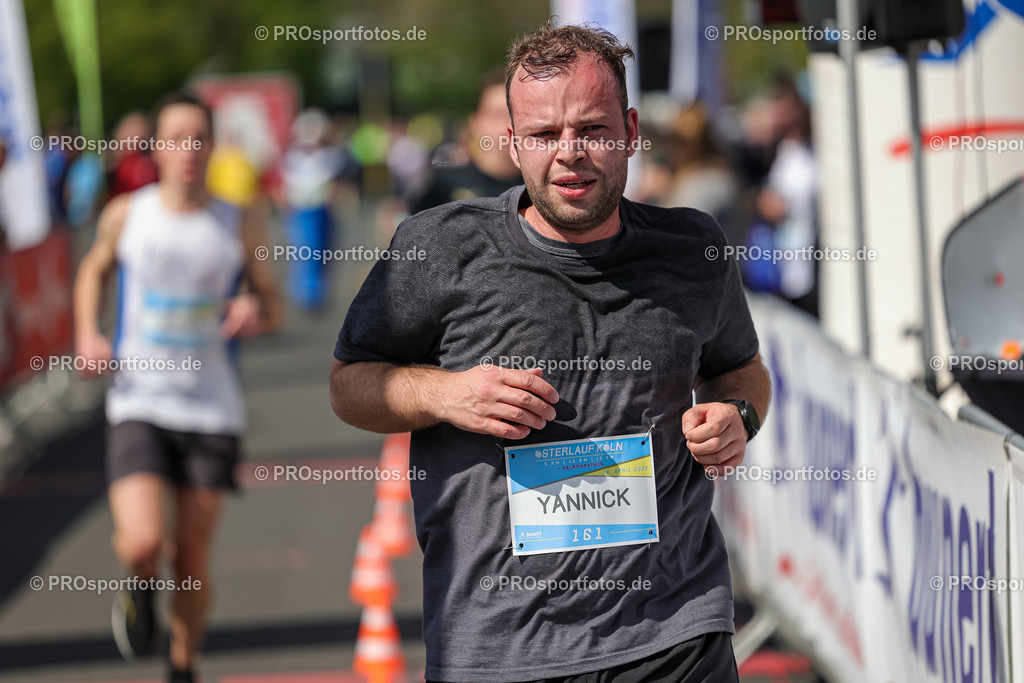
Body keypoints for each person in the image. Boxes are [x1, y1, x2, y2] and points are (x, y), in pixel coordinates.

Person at [330, 23, 771, 682]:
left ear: (629, 129)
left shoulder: (690, 249)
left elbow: (742, 371)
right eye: (543, 135)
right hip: (502, 646)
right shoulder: (442, 247)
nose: (569, 153)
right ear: (512, 143)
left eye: (591, 130)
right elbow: (349, 385)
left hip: (674, 632)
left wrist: (738, 414)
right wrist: (448, 394)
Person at [73, 91, 282, 683]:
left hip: (211, 410)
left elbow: (274, 305)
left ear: (212, 147)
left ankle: (182, 666)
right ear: (157, 148)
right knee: (141, 543)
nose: (187, 150)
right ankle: (139, 589)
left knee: (190, 559)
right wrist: (88, 331)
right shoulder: (128, 214)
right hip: (139, 398)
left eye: (199, 139)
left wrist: (254, 311)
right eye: (176, 138)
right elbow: (93, 268)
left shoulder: (237, 218)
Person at [408, 69, 522, 213]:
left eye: (516, 115)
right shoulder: (446, 184)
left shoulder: (538, 188)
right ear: (475, 122)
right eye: (497, 115)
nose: (507, 126)